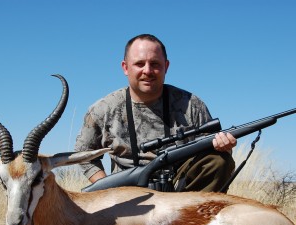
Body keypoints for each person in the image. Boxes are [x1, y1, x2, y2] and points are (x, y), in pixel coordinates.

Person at [75, 33, 237, 192]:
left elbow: (211, 154)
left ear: (166, 66)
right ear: (125, 67)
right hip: (126, 195)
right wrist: (107, 189)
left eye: (155, 64)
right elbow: (83, 153)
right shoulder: (103, 109)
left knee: (219, 160)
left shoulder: (191, 104)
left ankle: (192, 216)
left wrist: (224, 147)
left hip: (179, 190)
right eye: (139, 64)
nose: (148, 70)